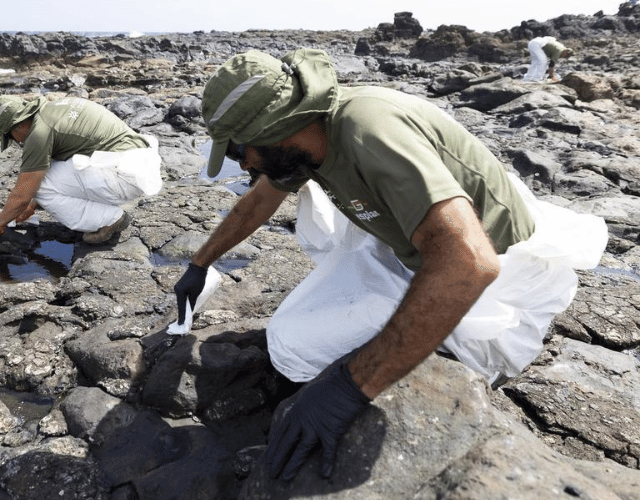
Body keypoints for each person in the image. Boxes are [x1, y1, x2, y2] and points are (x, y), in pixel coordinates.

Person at [173, 48, 606, 482]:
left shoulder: (368, 130)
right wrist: (199, 264)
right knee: (288, 340)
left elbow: (470, 263)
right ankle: (406, 343)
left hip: (491, 290)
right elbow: (258, 202)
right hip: (419, 250)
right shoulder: (309, 134)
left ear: (273, 129)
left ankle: (445, 354)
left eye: (238, 152)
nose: (244, 164)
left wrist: (350, 386)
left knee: (297, 347)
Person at [0, 95, 163, 244]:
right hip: (138, 164)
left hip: (123, 176)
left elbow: (22, 194)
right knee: (44, 177)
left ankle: (109, 219)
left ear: (18, 124)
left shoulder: (38, 134)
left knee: (38, 186)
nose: (16, 142)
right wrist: (32, 206)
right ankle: (103, 212)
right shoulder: (53, 109)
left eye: (10, 137)